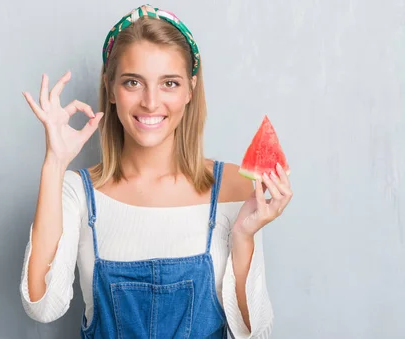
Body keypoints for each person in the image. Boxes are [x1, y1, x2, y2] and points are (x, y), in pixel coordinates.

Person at [19, 4, 292, 338]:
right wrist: (55, 163)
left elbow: (256, 333)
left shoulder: (234, 188)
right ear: (111, 88)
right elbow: (42, 306)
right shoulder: (77, 191)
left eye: (169, 83)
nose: (150, 102)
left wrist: (243, 236)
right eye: (133, 82)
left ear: (191, 89)